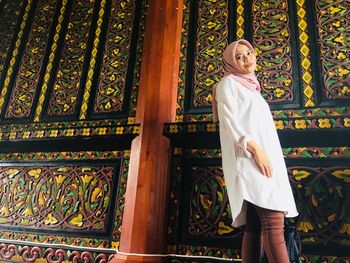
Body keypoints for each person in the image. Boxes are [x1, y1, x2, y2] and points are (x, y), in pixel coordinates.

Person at [212, 39, 299, 263]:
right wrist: (254, 148)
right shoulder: (227, 84)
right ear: (231, 63)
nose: (245, 59)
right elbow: (229, 123)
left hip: (265, 160)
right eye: (239, 57)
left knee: (256, 225)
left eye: (248, 53)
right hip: (250, 159)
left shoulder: (253, 88)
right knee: (273, 223)